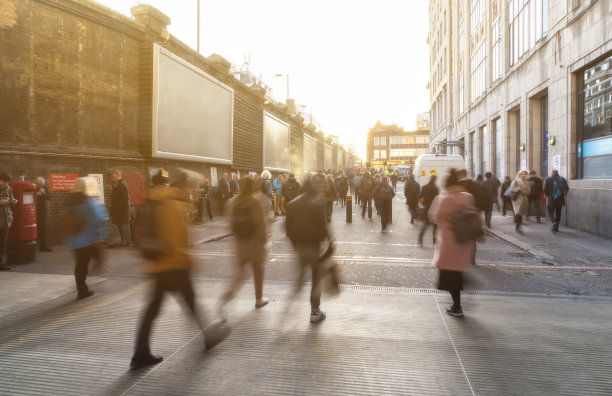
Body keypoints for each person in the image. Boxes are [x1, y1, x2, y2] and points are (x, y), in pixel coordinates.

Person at [131, 170, 209, 370]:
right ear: (183, 187)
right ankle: (209, 336)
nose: (193, 192)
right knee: (189, 303)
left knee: (154, 310)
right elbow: (174, 239)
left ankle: (140, 353)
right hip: (173, 265)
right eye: (191, 188)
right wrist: (187, 260)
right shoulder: (172, 205)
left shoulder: (160, 201)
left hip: (160, 265)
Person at [428, 168, 476, 317]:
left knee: (450, 273)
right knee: (457, 270)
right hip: (464, 239)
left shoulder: (443, 199)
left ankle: (457, 306)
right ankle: (460, 293)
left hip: (449, 240)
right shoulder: (467, 197)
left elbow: (434, 217)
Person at [220, 177, 269, 314]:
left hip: (239, 243)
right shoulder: (255, 202)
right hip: (254, 243)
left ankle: (229, 293)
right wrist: (264, 240)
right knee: (258, 270)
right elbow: (260, 224)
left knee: (240, 272)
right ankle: (258, 299)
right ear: (253, 187)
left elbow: (229, 224)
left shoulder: (231, 202)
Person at [285, 173, 330, 323]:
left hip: (299, 247)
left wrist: (294, 243)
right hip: (314, 248)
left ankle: (289, 303)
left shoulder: (292, 203)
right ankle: (315, 311)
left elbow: (287, 228)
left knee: (300, 276)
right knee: (316, 279)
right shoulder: (318, 202)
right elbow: (323, 228)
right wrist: (327, 242)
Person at [62, 177, 108, 299]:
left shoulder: (70, 200)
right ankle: (84, 288)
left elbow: (64, 218)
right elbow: (99, 218)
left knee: (80, 264)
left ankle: (82, 288)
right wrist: (101, 235)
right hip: (88, 239)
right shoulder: (89, 201)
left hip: (74, 240)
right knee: (88, 261)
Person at [0, 172, 17, 271]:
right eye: (4, 181)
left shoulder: (9, 189)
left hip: (6, 220)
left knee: (2, 244)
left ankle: (0, 264)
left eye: (7, 182)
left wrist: (13, 202)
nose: (5, 184)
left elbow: (11, 200)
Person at [110, 170, 131, 247]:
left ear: (119, 176)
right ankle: (114, 242)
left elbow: (126, 199)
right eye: (111, 177)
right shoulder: (114, 185)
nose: (112, 178)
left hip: (123, 210)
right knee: (114, 224)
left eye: (114, 177)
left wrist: (117, 207)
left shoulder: (123, 185)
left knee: (124, 226)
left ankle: (126, 242)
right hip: (116, 209)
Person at [418, 174, 439, 246]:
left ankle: (420, 236)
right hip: (434, 207)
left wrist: (423, 203)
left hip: (426, 207)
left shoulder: (424, 187)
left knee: (425, 224)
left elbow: (420, 197)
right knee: (435, 225)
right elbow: (437, 199)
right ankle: (434, 239)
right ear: (435, 179)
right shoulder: (436, 188)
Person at [34, 177, 52, 252]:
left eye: (42, 184)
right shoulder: (33, 187)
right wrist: (36, 194)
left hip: (42, 211)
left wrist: (43, 193)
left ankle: (43, 246)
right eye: (40, 184)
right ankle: (34, 246)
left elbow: (49, 197)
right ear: (36, 183)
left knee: (42, 228)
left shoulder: (45, 188)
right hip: (33, 211)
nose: (41, 186)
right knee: (33, 229)